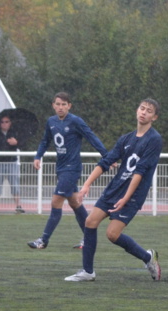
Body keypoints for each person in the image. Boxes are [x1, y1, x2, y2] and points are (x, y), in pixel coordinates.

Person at [65, 98, 163, 282]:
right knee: (90, 222)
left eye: (149, 111)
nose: (143, 112)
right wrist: (86, 185)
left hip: (132, 195)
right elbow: (105, 162)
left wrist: (126, 198)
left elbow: (140, 172)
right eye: (142, 108)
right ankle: (88, 272)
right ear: (136, 110)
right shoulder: (126, 138)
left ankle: (148, 258)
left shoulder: (154, 140)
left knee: (112, 234)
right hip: (114, 190)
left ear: (154, 117)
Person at [27, 92, 108, 250]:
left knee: (56, 200)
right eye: (58, 104)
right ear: (53, 105)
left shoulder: (76, 121)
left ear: (69, 106)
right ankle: (88, 238)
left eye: (64, 104)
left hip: (72, 169)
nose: (60, 107)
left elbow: (91, 137)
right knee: (75, 203)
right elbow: (45, 140)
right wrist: (38, 156)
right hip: (61, 168)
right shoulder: (51, 121)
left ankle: (43, 240)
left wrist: (107, 155)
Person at [0, 114, 25, 213]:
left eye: (7, 122)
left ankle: (18, 206)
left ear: (10, 123)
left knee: (14, 184)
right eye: (2, 122)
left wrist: (16, 143)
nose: (4, 124)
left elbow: (24, 145)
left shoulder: (15, 133)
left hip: (12, 163)